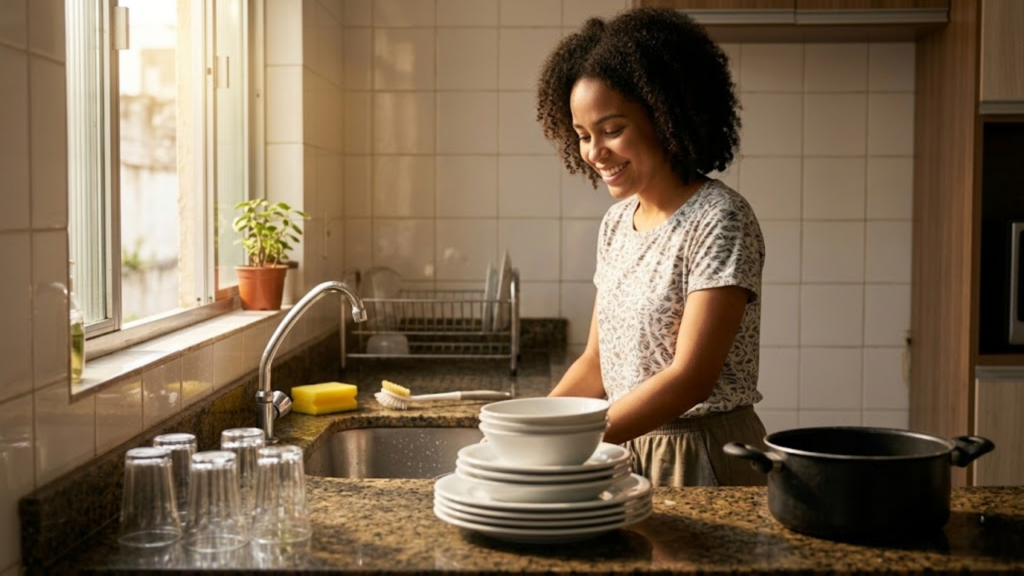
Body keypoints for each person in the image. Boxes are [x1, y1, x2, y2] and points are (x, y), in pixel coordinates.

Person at [536, 7, 767, 487]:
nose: (595, 151)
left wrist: (571, 443)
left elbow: (689, 378)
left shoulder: (720, 218)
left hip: (697, 455)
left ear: (666, 115)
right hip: (622, 445)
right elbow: (595, 364)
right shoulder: (617, 222)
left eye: (612, 129)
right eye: (583, 136)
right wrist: (531, 430)